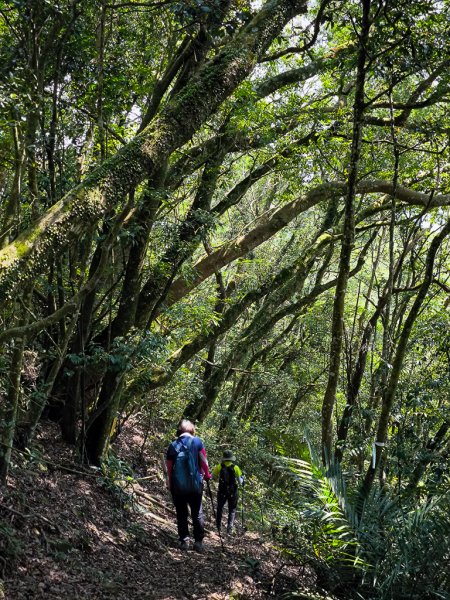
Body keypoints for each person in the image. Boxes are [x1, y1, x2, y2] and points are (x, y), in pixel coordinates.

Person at [166, 419, 211, 552]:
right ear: (192, 429)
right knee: (197, 512)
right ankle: (198, 542)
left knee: (181, 513)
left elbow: (169, 469)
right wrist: (207, 475)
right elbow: (204, 462)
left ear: (179, 430)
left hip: (178, 487)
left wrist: (170, 482)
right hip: (195, 485)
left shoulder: (173, 445)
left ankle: (184, 540)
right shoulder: (197, 442)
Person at [212, 449, 244, 535]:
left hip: (222, 491)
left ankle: (218, 527)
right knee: (232, 510)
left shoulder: (219, 466)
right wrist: (242, 478)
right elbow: (240, 482)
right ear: (231, 458)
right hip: (233, 492)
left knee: (219, 508)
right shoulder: (236, 467)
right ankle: (229, 529)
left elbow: (213, 477)